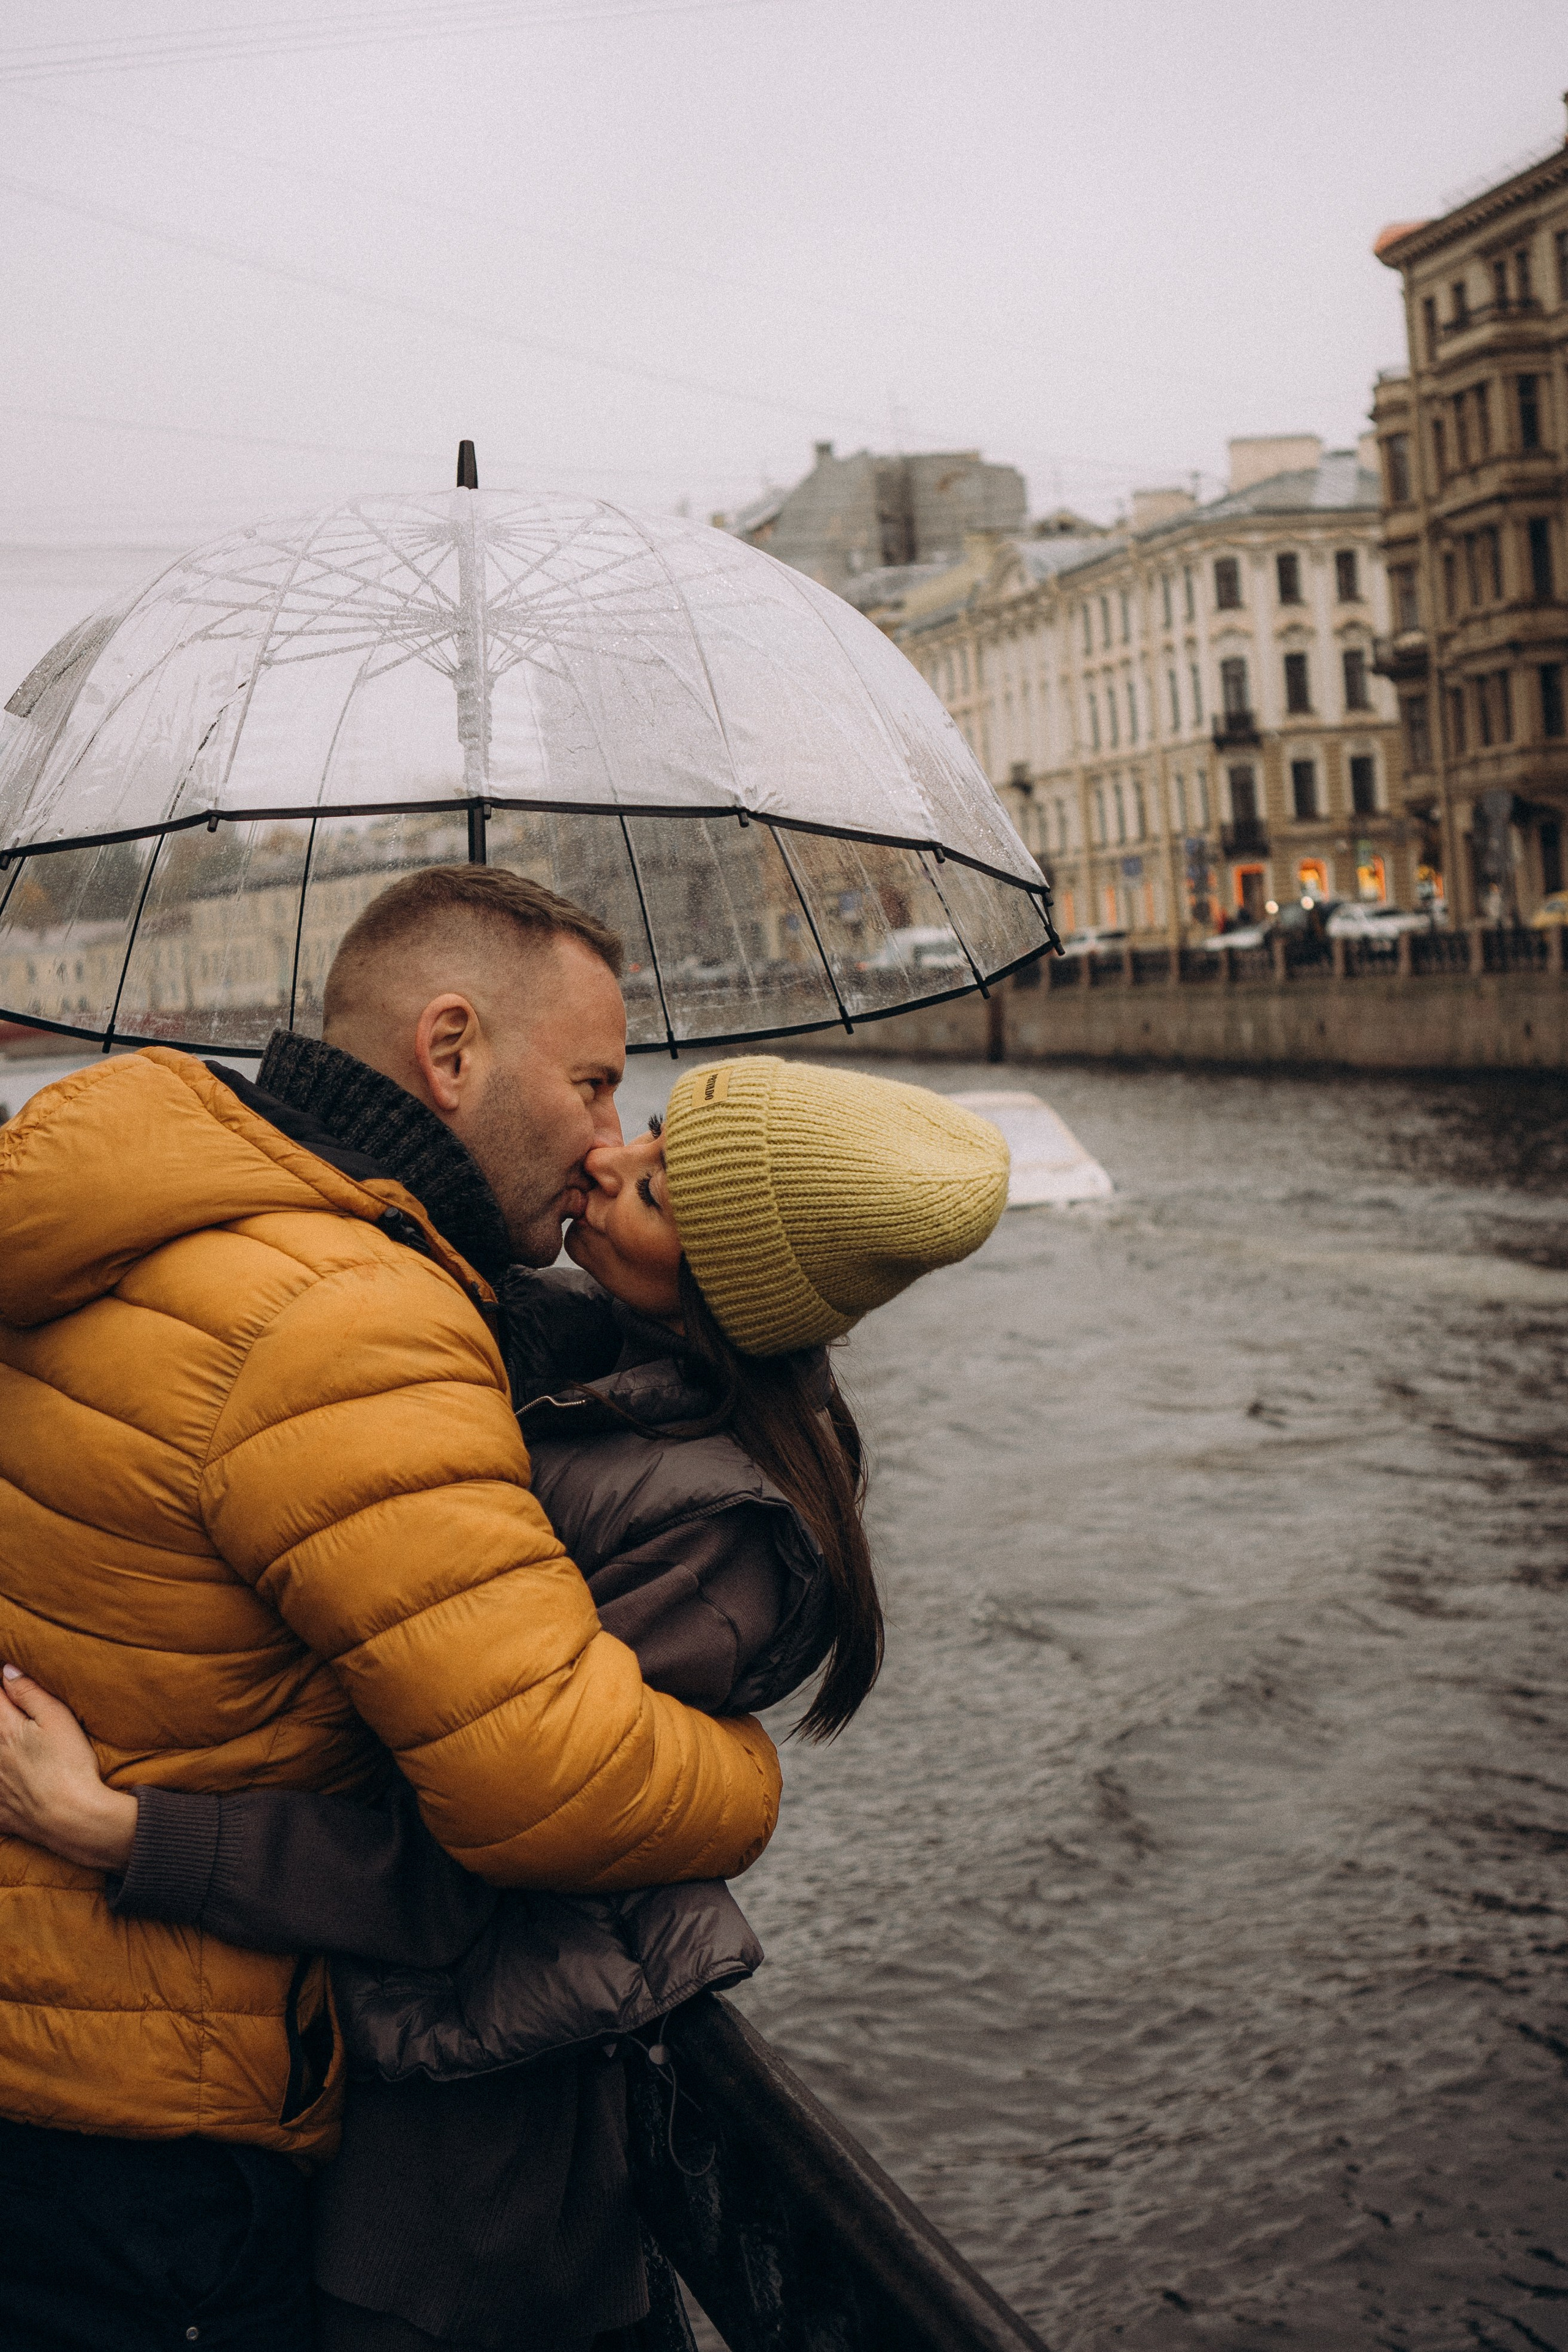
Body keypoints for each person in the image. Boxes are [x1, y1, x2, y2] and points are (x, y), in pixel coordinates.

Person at [0, 1050, 1011, 2351]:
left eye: (651, 1190)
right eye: (638, 1126)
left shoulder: (718, 1539)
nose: (606, 1158)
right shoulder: (543, 1345)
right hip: (328, 2059)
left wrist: (130, 1834)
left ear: (718, 1293)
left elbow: (483, 1863)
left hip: (457, 2152)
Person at [0, 867, 785, 2350]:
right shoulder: (351, 1308)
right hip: (156, 2116)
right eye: (593, 1084)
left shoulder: (158, 1206)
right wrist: (748, 1769)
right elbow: (546, 1786)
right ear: (449, 1051)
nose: (608, 1140)